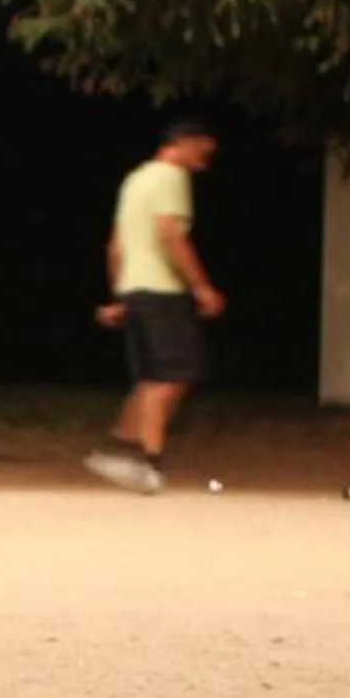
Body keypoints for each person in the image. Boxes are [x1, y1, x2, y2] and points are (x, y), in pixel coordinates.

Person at [86, 119, 224, 495]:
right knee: (175, 375)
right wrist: (202, 287)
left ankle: (121, 449)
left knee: (153, 376)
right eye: (202, 152)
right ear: (182, 143)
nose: (204, 163)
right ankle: (146, 460)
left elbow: (115, 245)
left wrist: (119, 295)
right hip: (162, 290)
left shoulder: (135, 180)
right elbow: (170, 234)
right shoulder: (170, 177)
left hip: (136, 287)